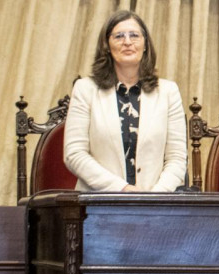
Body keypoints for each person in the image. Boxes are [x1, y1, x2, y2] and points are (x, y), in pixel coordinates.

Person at [63, 11, 187, 192]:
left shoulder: (168, 92)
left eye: (134, 35)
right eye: (119, 36)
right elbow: (74, 153)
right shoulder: (85, 89)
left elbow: (176, 157)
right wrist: (122, 189)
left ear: (145, 44)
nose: (127, 42)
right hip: (99, 204)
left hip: (156, 205)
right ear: (107, 45)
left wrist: (155, 197)